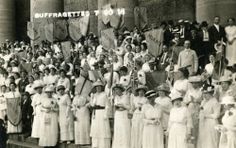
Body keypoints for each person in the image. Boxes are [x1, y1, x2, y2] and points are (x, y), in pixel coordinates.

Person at [90, 80, 111, 148]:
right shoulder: (94, 95)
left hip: (102, 113)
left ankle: (103, 145)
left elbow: (107, 105)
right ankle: (96, 145)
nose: (98, 88)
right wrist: (91, 98)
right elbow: (92, 104)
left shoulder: (104, 95)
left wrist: (106, 114)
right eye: (96, 87)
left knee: (102, 128)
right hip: (96, 113)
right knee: (95, 128)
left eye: (99, 87)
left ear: (101, 87)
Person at [112, 84, 131, 148]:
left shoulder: (126, 96)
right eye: (115, 90)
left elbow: (129, 107)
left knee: (124, 129)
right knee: (118, 129)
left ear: (121, 90)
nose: (116, 91)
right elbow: (115, 107)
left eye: (117, 89)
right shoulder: (115, 98)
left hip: (124, 114)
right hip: (118, 115)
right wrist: (117, 108)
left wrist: (123, 106)